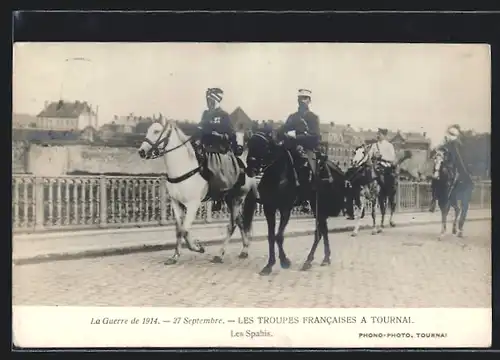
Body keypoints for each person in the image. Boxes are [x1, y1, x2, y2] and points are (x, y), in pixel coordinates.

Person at [195, 87, 240, 211]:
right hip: (203, 147)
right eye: (207, 100)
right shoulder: (205, 114)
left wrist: (218, 135)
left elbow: (231, 134)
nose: (208, 103)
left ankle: (218, 196)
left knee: (213, 169)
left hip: (217, 149)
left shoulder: (223, 115)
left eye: (211, 100)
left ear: (217, 100)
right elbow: (200, 128)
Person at [277, 89, 321, 203]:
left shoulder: (313, 117)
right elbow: (282, 130)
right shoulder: (292, 117)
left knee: (307, 168)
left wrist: (296, 136)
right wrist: (281, 134)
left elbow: (315, 136)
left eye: (305, 98)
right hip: (290, 148)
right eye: (300, 98)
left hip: (307, 148)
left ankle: (306, 196)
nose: (302, 101)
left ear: (309, 101)